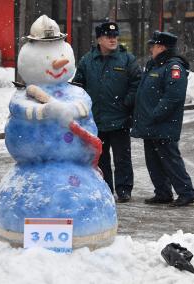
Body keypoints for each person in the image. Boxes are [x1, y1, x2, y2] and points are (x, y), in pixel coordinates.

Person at [73, 22, 142, 203]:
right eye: (108, 36)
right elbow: (77, 86)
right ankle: (105, 188)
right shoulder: (87, 60)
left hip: (120, 119)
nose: (113, 39)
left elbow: (137, 84)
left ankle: (124, 189)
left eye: (115, 36)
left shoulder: (127, 59)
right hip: (96, 120)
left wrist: (127, 103)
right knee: (100, 158)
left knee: (122, 158)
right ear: (99, 39)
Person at [131, 31, 194, 207]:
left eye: (153, 46)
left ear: (161, 47)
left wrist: (155, 115)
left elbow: (173, 97)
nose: (150, 49)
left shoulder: (173, 67)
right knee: (153, 161)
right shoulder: (155, 65)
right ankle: (162, 193)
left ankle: (186, 193)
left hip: (163, 124)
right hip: (151, 124)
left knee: (170, 160)